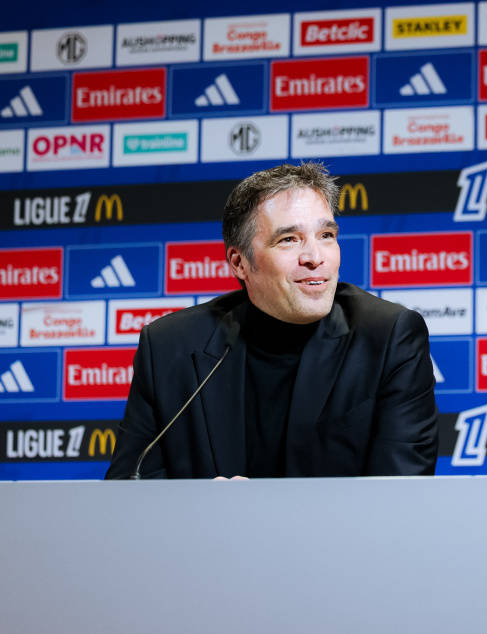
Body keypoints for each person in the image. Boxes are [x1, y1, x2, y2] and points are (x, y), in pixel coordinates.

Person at [106, 162, 438, 479]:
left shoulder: (388, 337)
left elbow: (399, 494)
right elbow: (128, 488)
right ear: (239, 263)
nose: (315, 257)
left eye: (326, 235)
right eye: (289, 239)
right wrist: (202, 505)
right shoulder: (170, 347)